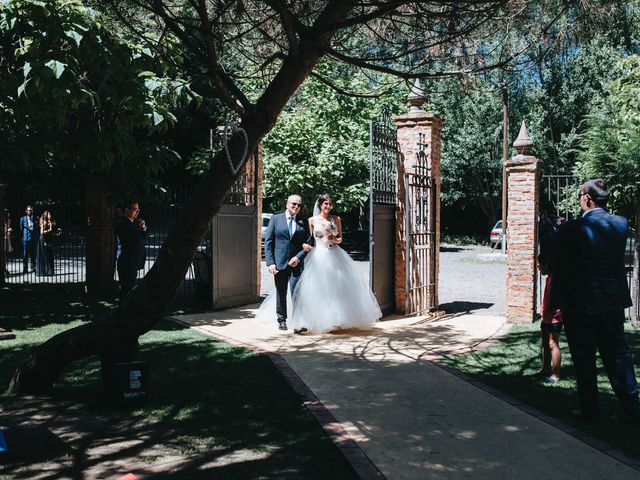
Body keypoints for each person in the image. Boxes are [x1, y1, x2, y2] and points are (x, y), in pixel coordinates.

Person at [549, 178, 640, 421]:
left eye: (580, 196)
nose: (580, 201)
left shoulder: (571, 229)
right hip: (612, 301)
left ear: (587, 198)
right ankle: (633, 409)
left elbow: (558, 262)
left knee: (584, 358)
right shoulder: (620, 224)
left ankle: (590, 410)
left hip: (581, 304)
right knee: (618, 356)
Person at [289, 194, 382, 334]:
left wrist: (333, 237)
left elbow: (340, 239)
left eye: (330, 204)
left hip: (334, 253)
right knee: (318, 288)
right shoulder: (312, 220)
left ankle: (335, 320)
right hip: (318, 256)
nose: (328, 207)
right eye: (325, 204)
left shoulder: (336, 219)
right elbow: (310, 240)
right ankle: (316, 319)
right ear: (320, 205)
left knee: (337, 288)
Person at [263, 194, 310, 331]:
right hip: (279, 263)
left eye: (299, 204)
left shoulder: (302, 220)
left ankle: (298, 322)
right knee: (281, 292)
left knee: (297, 292)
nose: (296, 206)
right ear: (287, 204)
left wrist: (299, 256)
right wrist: (270, 263)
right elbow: (269, 242)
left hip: (296, 263)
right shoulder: (276, 219)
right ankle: (282, 320)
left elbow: (308, 242)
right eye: (293, 204)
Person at [536, 253, 562, 384]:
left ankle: (555, 374)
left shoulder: (555, 279)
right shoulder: (549, 278)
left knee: (553, 344)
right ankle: (545, 369)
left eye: (539, 265)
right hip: (545, 317)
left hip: (554, 318)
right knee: (545, 343)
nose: (538, 268)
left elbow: (556, 300)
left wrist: (553, 313)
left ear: (546, 265)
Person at [115, 201, 148, 298]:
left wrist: (143, 228)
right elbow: (138, 240)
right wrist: (142, 229)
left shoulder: (131, 223)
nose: (137, 212)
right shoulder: (124, 223)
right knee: (127, 291)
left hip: (131, 263)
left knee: (129, 290)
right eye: (135, 209)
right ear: (127, 210)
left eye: (138, 209)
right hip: (127, 262)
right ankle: (123, 311)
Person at [35, 210, 56, 276]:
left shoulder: (49, 221)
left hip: (48, 238)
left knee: (49, 254)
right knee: (45, 255)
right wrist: (49, 229)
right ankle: (44, 271)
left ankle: (48, 271)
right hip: (43, 239)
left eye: (50, 214)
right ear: (46, 215)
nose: (50, 216)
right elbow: (41, 232)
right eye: (49, 214)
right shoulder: (44, 222)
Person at [19, 205, 36, 273]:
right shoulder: (22, 219)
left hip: (33, 238)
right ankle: (25, 268)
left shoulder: (35, 218)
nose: (30, 211)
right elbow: (21, 229)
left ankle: (33, 267)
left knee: (33, 254)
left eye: (31, 210)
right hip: (26, 238)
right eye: (29, 210)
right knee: (25, 254)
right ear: (26, 211)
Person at [3, 209, 12, 275]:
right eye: (7, 213)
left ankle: (4, 268)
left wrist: (9, 230)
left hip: (7, 238)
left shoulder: (9, 221)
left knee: (5, 254)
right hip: (3, 239)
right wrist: (6, 230)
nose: (8, 214)